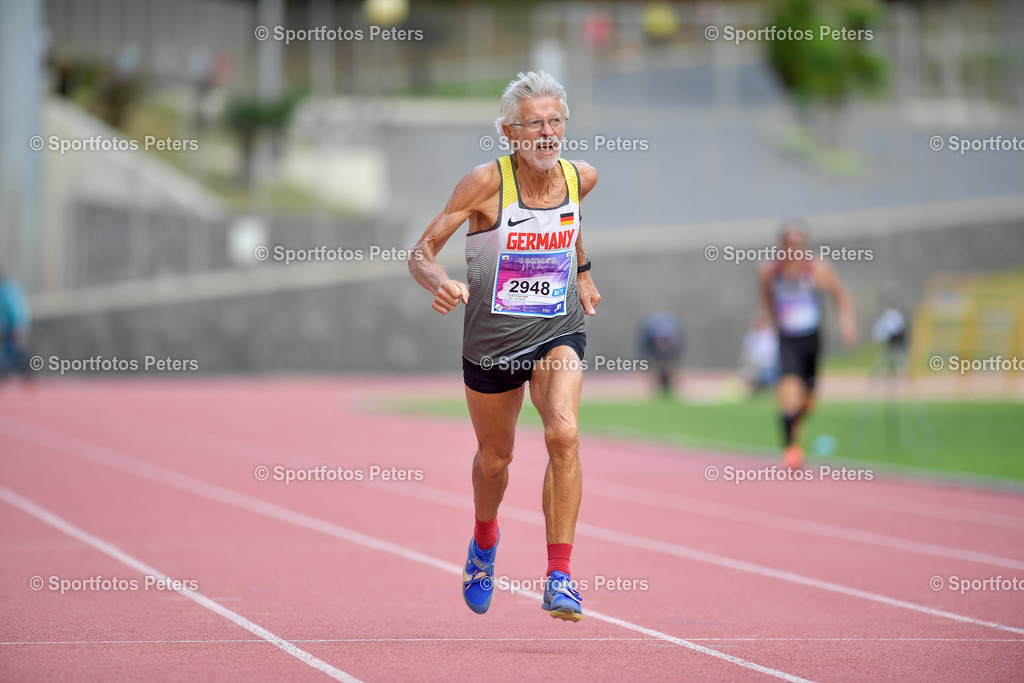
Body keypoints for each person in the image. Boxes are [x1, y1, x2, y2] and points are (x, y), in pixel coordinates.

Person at [409, 71, 600, 622]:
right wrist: (438, 281)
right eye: (534, 124)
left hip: (555, 330)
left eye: (555, 121)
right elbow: (421, 251)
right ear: (509, 133)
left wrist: (581, 269)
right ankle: (484, 541)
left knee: (563, 432)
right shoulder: (484, 185)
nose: (547, 133)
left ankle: (560, 576)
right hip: (491, 343)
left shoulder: (580, 176)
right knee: (496, 459)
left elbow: (573, 222)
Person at [758, 222, 856, 468]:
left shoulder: (817, 269)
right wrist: (769, 321)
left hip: (811, 338)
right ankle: (791, 447)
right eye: (789, 244)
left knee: (808, 400)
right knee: (788, 392)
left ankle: (795, 431)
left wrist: (846, 322)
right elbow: (766, 299)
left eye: (798, 244)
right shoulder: (771, 271)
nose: (793, 249)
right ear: (781, 245)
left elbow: (840, 294)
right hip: (787, 338)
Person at [639, 311, 683, 397]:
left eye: (666, 342)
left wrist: (674, 374)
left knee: (669, 365)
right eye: (662, 341)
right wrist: (650, 375)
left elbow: (677, 359)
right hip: (650, 342)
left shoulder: (678, 339)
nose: (664, 345)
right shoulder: (647, 338)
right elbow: (644, 357)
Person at [0, 265, 32, 380]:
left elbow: (16, 310)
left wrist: (18, 327)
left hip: (14, 326)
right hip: (8, 327)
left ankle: (26, 372)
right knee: (12, 351)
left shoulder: (7, 288)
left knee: (14, 351)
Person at [741, 310, 780, 396]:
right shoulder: (752, 336)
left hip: (772, 364)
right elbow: (749, 351)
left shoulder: (773, 335)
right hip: (757, 365)